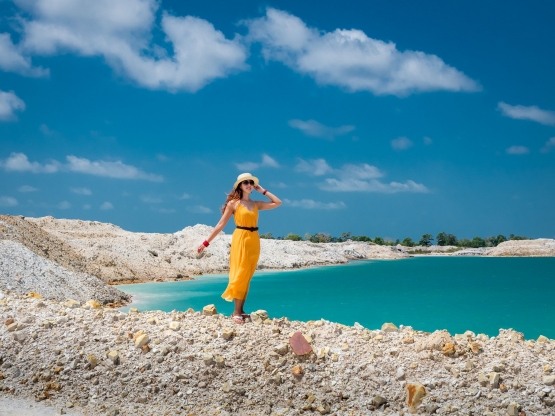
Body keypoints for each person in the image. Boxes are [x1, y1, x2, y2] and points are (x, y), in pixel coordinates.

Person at [197, 173, 282, 323]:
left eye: (251, 182)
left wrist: (263, 190)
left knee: (247, 275)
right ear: (240, 186)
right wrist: (206, 242)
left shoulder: (256, 203)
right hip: (241, 238)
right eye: (245, 183)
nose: (249, 185)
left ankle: (241, 310)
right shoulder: (233, 203)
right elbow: (221, 224)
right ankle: (235, 311)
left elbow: (278, 202)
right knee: (240, 273)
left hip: (254, 239)